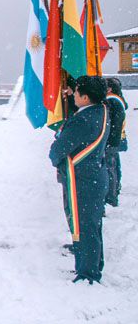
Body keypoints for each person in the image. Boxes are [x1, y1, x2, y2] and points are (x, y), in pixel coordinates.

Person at [48, 75, 110, 284]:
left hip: (83, 179)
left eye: (76, 92)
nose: (73, 94)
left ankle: (88, 273)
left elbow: (59, 149)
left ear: (85, 98)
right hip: (94, 175)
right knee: (91, 225)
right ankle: (91, 265)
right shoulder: (100, 111)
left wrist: (54, 155)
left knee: (85, 226)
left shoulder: (83, 120)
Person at [104, 78, 128, 207]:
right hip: (117, 139)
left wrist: (111, 141)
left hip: (112, 140)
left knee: (110, 167)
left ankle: (111, 196)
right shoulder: (118, 99)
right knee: (114, 165)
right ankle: (115, 189)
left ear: (109, 89)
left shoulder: (112, 100)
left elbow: (114, 123)